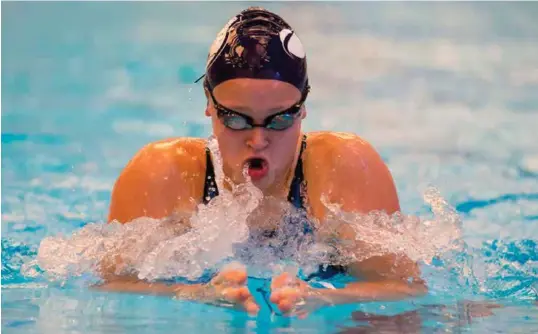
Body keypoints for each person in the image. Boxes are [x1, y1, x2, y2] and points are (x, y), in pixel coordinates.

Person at [97, 6, 427, 317]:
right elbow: (111, 288)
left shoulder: (344, 169)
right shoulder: (163, 174)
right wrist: (194, 295)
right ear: (209, 102)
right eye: (237, 120)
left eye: (280, 120)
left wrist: (323, 297)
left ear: (303, 107)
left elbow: (404, 289)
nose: (258, 140)